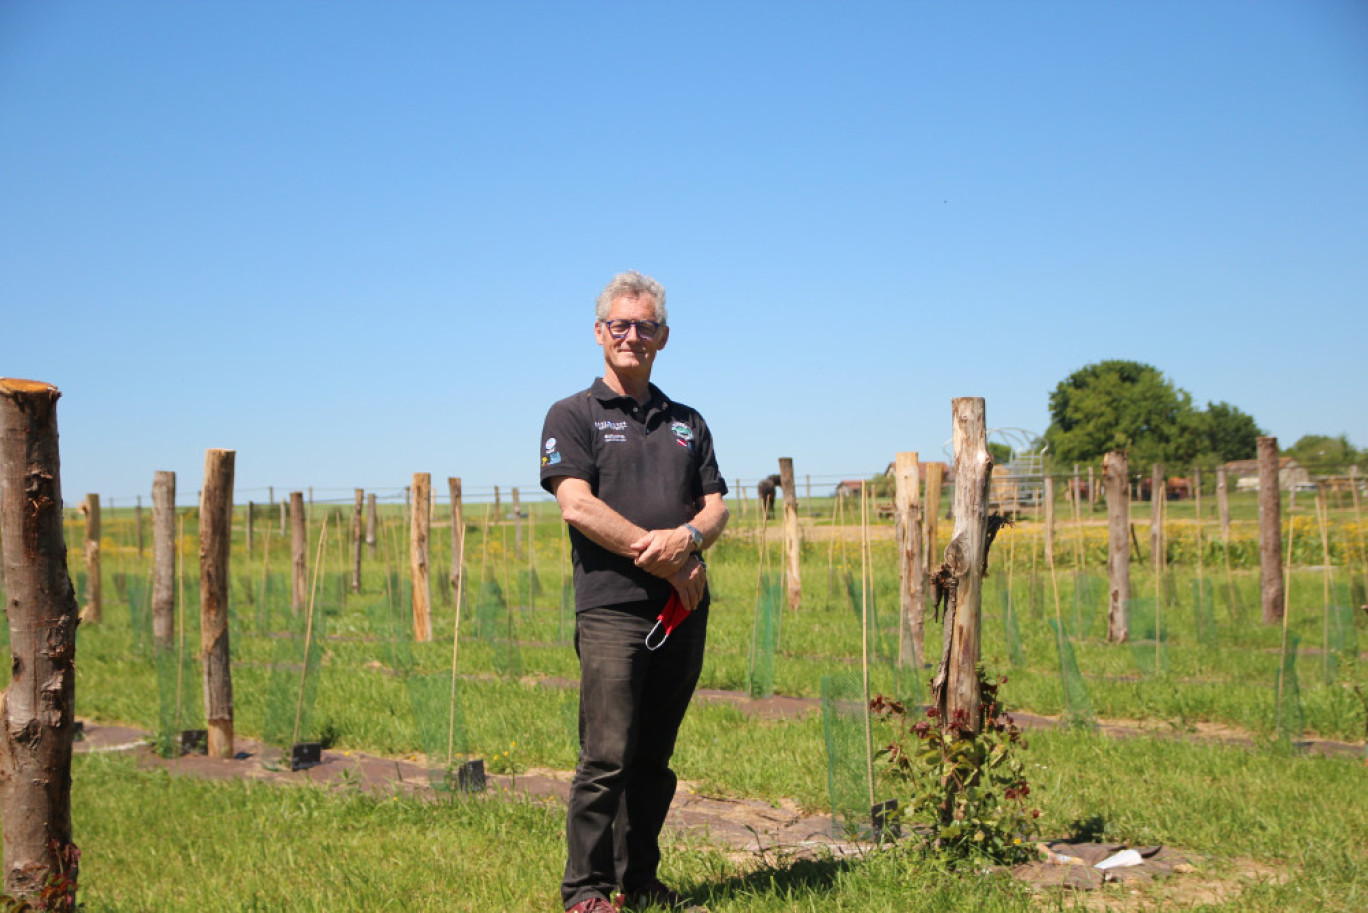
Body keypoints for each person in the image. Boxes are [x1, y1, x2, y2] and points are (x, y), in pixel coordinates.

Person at [540, 270, 729, 913]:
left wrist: (691, 543)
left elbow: (716, 506)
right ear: (599, 333)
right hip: (613, 613)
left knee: (654, 758)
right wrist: (665, 557)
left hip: (682, 612)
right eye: (619, 325)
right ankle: (584, 890)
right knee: (607, 756)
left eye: (645, 326)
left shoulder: (687, 422)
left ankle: (639, 879)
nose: (632, 336)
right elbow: (577, 506)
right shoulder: (573, 415)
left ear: (663, 337)